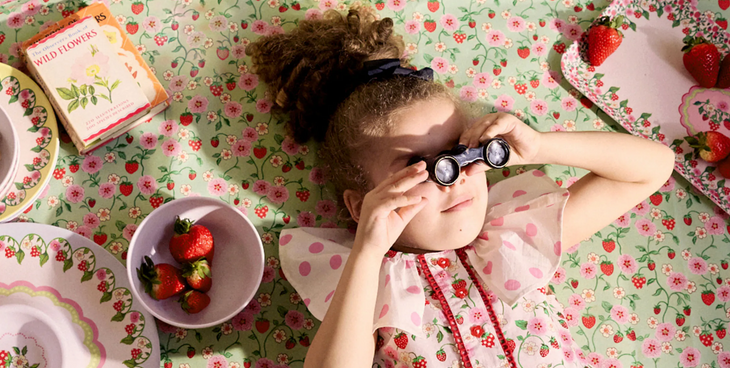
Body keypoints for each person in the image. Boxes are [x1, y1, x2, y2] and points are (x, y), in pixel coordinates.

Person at [248, 7, 675, 368]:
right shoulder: (370, 286)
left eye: (461, 153)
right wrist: (367, 250)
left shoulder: (513, 239)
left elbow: (653, 167)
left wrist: (538, 146)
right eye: (418, 167)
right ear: (362, 205)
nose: (455, 176)